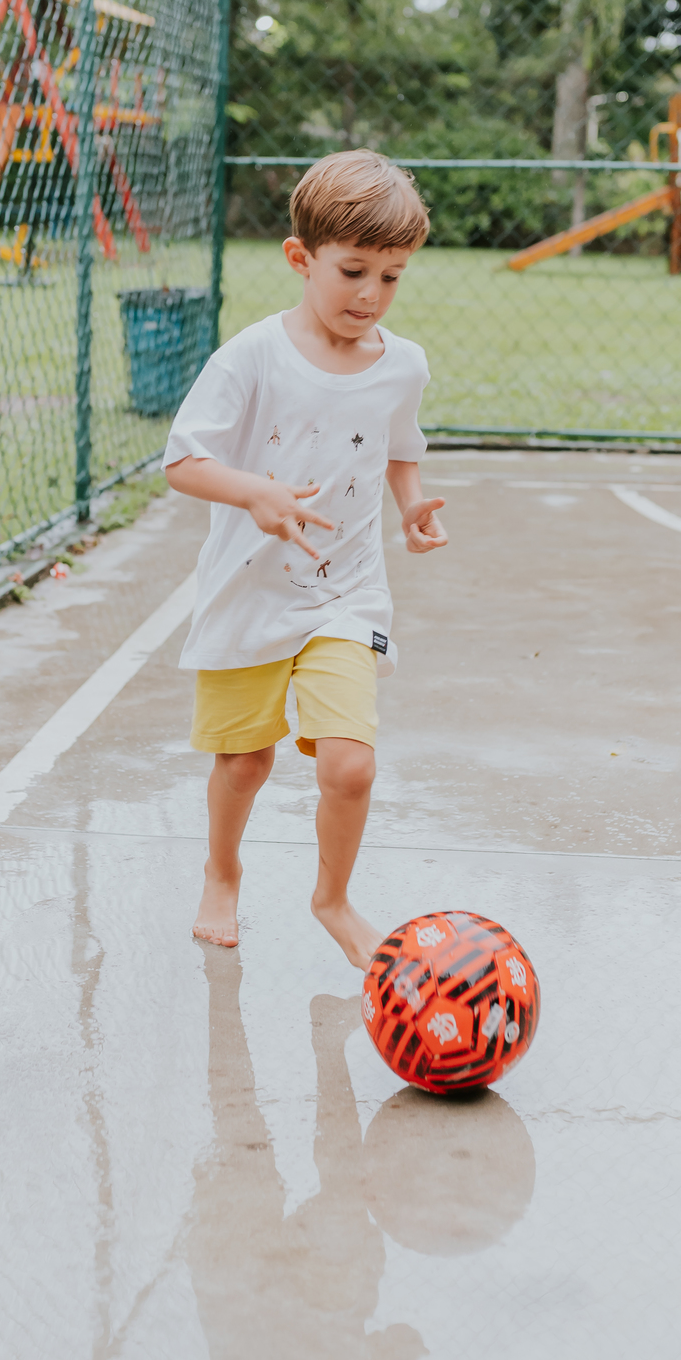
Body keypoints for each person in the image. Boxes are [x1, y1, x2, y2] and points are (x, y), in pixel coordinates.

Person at [163, 149, 447, 967]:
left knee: (351, 766)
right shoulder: (251, 355)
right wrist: (255, 493)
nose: (372, 295)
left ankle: (333, 899)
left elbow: (400, 448)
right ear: (301, 258)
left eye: (392, 277)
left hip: (345, 594)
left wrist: (412, 504)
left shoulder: (404, 365)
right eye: (354, 270)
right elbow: (183, 461)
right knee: (245, 761)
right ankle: (223, 871)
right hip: (250, 595)